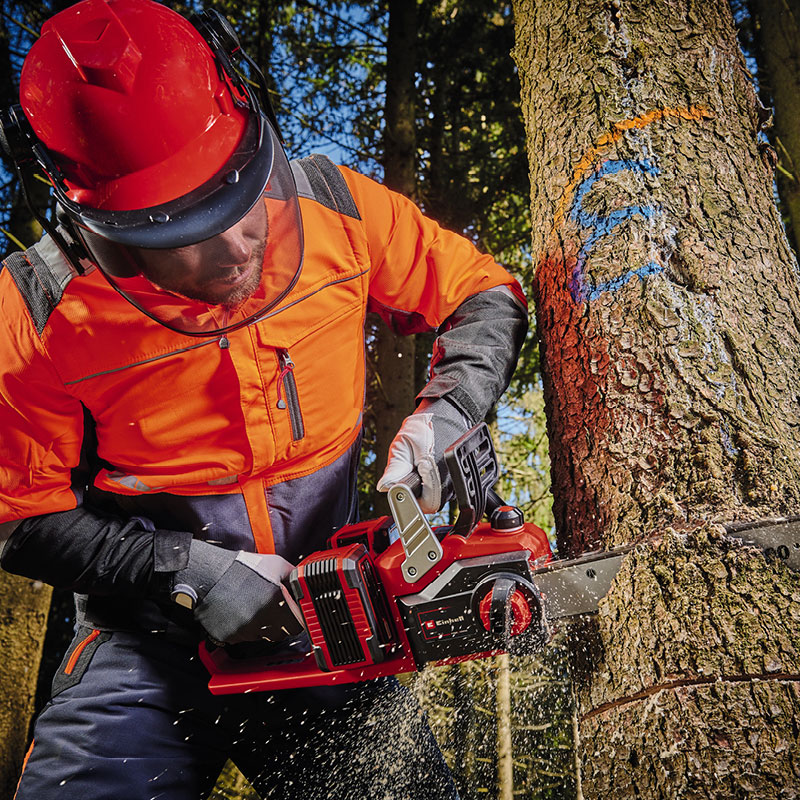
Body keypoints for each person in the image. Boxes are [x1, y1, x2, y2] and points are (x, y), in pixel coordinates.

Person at [0, 1, 528, 798]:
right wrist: (186, 571)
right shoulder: (37, 310)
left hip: (329, 617)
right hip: (147, 641)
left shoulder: (336, 208)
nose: (240, 242)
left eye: (237, 195)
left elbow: (481, 291)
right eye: (189, 228)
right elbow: (20, 517)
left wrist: (447, 414)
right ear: (106, 228)